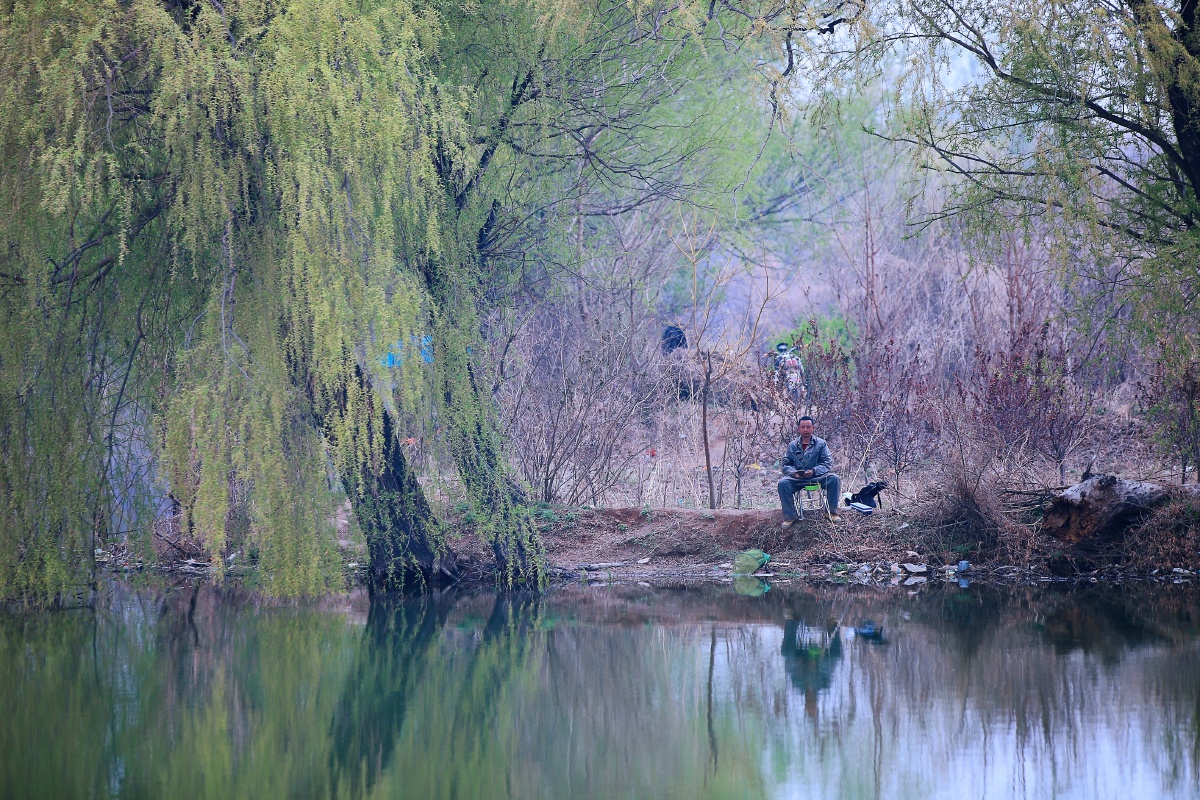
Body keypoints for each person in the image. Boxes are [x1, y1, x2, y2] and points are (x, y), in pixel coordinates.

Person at [777, 416, 842, 526]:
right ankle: (790, 517)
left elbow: (827, 463)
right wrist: (794, 473)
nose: (805, 430)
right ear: (798, 428)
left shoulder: (821, 444)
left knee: (834, 479)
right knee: (783, 483)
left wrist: (814, 471)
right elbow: (785, 464)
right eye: (803, 427)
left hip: (817, 477)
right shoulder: (792, 445)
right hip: (797, 479)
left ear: (813, 428)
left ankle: (831, 513)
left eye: (808, 427)